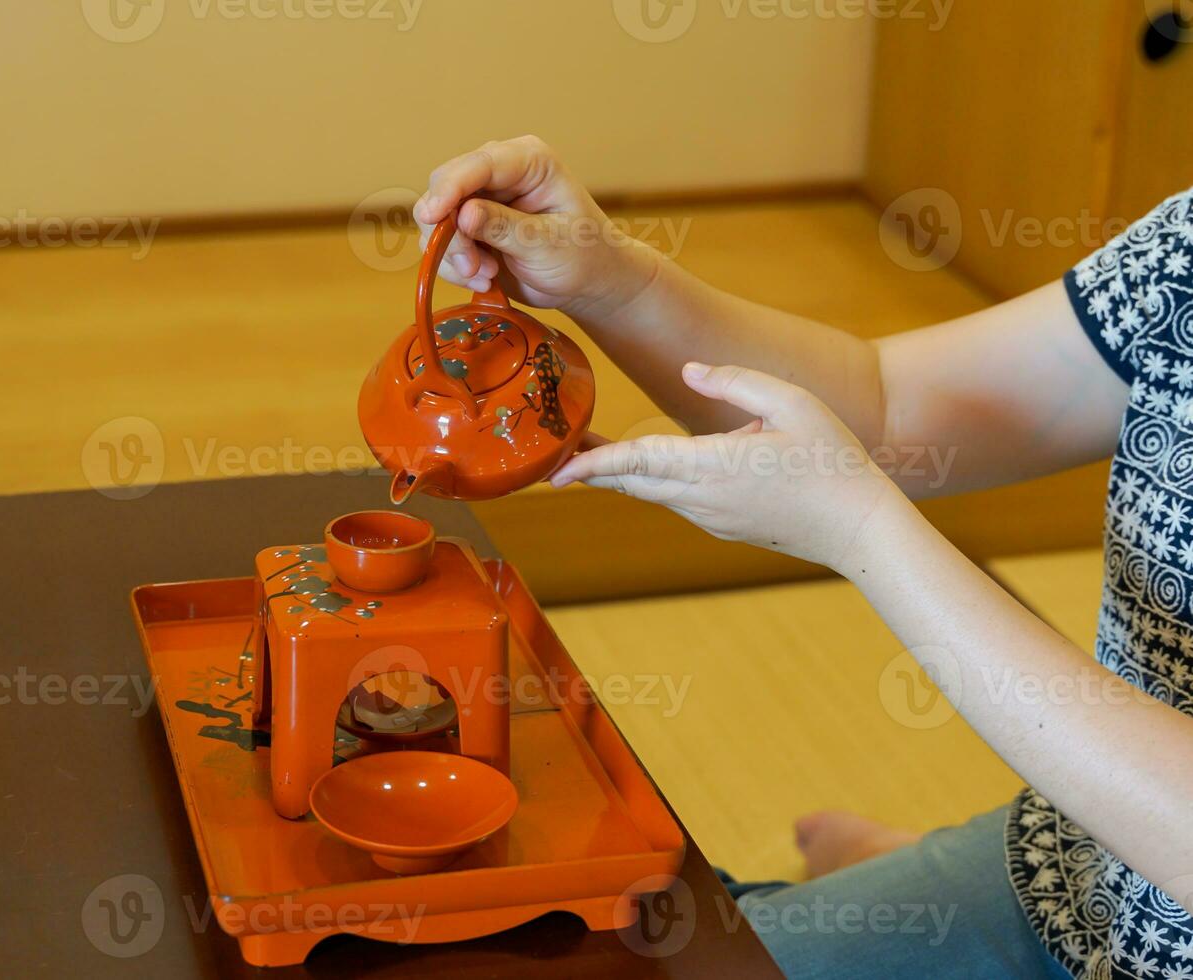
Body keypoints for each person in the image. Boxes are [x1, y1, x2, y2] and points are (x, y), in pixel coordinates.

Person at [414, 136, 1193, 979]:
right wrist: (615, 284)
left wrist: (863, 532)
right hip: (1078, 866)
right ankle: (889, 871)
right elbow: (888, 409)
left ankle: (878, 868)